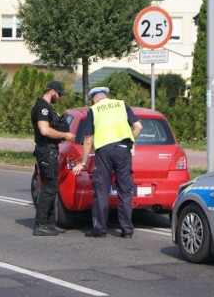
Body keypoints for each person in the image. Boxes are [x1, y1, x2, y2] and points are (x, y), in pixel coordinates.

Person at [72, 87, 142, 238]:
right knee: (125, 191)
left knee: (101, 190)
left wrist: (83, 162)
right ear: (106, 96)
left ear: (94, 99)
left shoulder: (94, 110)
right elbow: (138, 127)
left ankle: (100, 230)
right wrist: (130, 141)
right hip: (123, 149)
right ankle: (127, 230)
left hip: (104, 151)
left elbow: (88, 138)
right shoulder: (121, 104)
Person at [31, 80, 75, 236]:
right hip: (46, 151)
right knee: (49, 188)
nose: (60, 97)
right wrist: (65, 135)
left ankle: (50, 223)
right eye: (59, 94)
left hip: (50, 151)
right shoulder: (42, 107)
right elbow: (44, 130)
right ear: (52, 91)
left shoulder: (47, 107)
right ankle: (40, 224)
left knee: (52, 187)